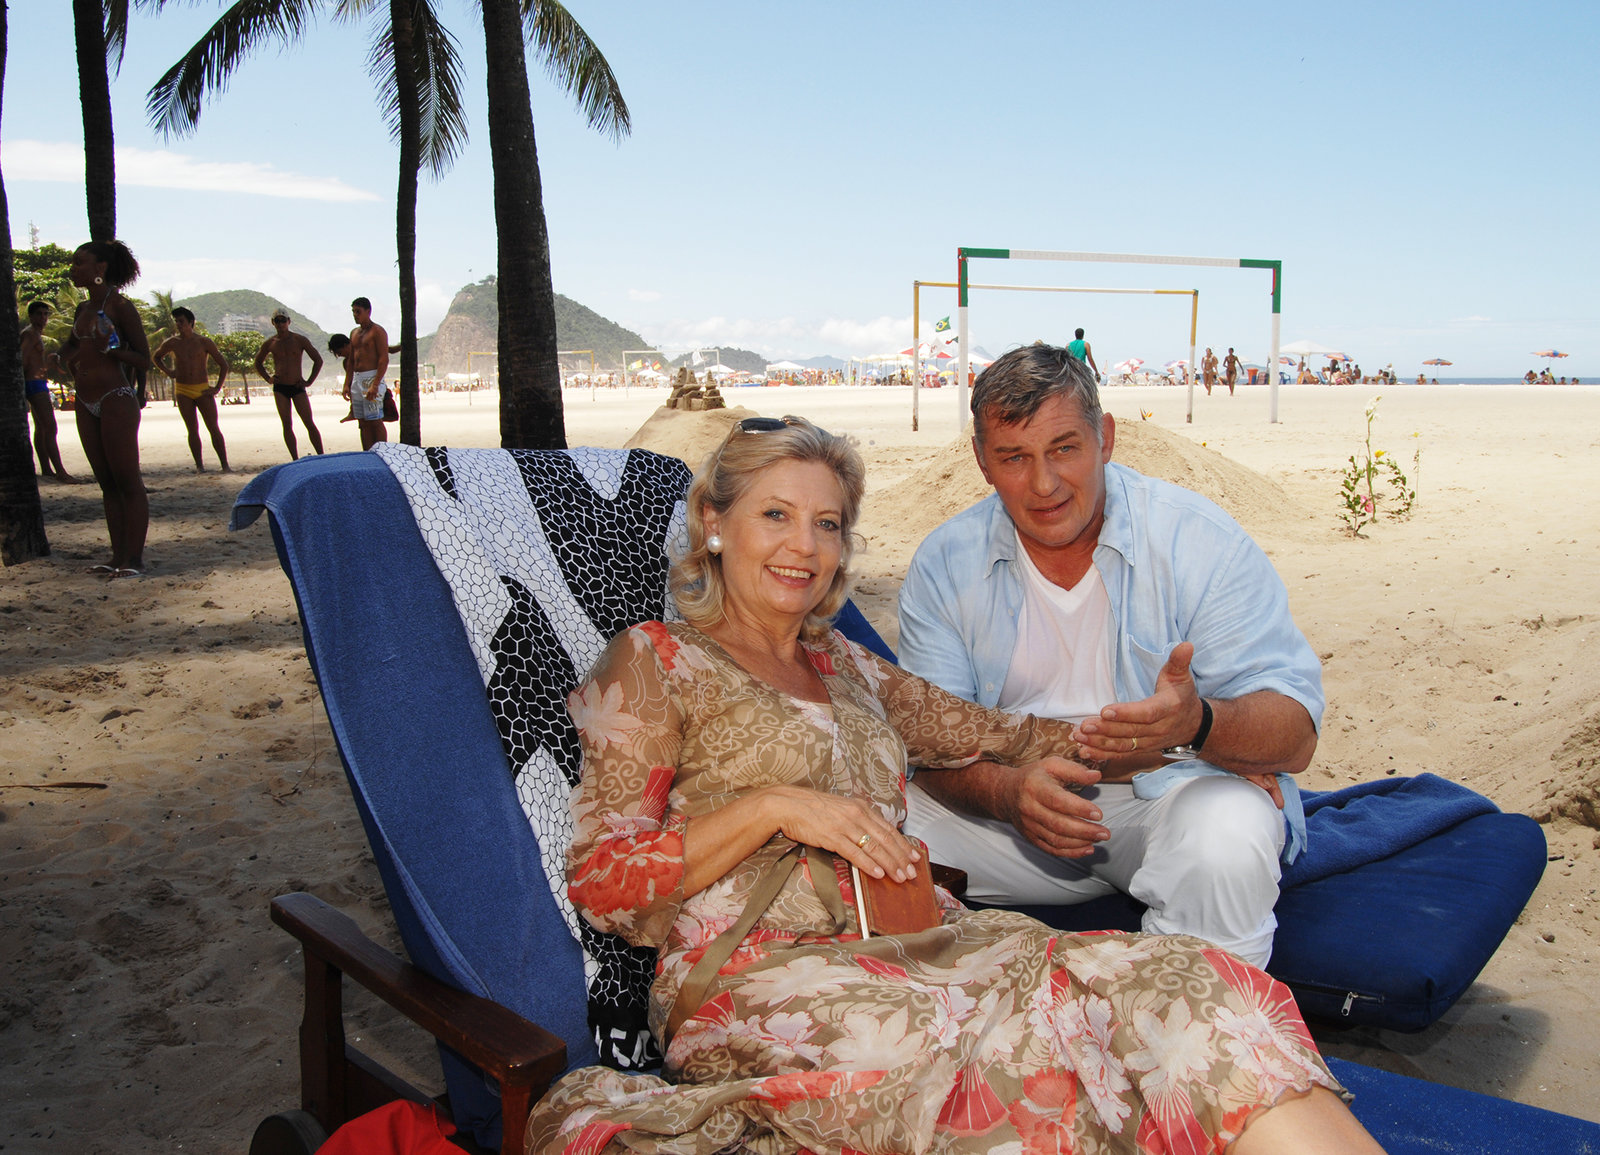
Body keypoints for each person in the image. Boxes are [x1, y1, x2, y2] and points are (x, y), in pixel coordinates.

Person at [523, 415, 1382, 1155]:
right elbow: (604, 883)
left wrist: (1184, 738)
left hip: (925, 942)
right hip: (765, 975)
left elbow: (1018, 735)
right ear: (714, 522)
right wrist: (773, 808)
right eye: (775, 514)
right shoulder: (656, 660)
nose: (804, 546)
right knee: (1018, 1058)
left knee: (1182, 983)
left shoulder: (847, 667)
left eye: (827, 523)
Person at [897, 346, 1324, 971]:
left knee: (1228, 831)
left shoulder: (1197, 540)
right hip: (1008, 814)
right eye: (1014, 457)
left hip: (1164, 797)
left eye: (1064, 448)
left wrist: (1200, 726)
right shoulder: (945, 561)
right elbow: (931, 745)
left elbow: (1295, 736)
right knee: (858, 825)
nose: (1044, 484)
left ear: (1106, 439)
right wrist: (1008, 794)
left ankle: (1200, 1018)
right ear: (983, 463)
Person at [57, 240, 152, 578]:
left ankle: (134, 560)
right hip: (84, 401)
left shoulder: (121, 307)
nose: (73, 269)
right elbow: (71, 345)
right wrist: (57, 358)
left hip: (115, 397)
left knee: (127, 481)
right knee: (107, 484)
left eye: (79, 262)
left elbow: (144, 359)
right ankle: (117, 557)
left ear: (100, 268)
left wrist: (113, 353)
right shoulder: (83, 309)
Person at [152, 306, 231, 472]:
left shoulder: (204, 342)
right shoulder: (172, 343)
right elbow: (156, 357)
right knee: (192, 429)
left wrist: (217, 388)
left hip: (202, 389)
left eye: (181, 321)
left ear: (191, 322)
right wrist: (168, 372)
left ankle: (225, 465)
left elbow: (223, 365)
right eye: (176, 321)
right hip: (183, 390)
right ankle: (199, 466)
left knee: (213, 427)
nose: (178, 325)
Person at [254, 308, 325, 459]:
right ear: (273, 323)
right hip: (280, 388)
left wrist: (309, 381)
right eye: (277, 321)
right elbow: (258, 363)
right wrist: (268, 378)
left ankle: (321, 456)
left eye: (283, 320)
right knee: (287, 424)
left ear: (289, 322)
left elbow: (318, 360)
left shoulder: (299, 340)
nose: (281, 324)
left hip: (297, 386)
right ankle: (294, 458)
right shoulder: (270, 343)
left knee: (308, 422)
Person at [20, 300, 77, 482]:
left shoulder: (35, 334)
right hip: (34, 384)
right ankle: (60, 471)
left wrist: (47, 365)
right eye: (39, 314)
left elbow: (32, 363)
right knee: (50, 427)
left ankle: (47, 468)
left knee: (41, 428)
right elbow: (22, 360)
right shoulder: (30, 334)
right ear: (31, 316)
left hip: (36, 382)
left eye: (45, 314)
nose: (43, 318)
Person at [343, 296, 389, 449]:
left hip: (371, 376)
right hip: (357, 378)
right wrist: (347, 384)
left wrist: (375, 384)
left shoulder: (377, 331)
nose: (355, 315)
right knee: (362, 421)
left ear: (368, 311)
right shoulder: (354, 333)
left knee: (375, 420)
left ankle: (382, 451)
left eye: (358, 312)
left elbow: (383, 359)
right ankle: (367, 452)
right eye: (353, 312)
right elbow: (351, 361)